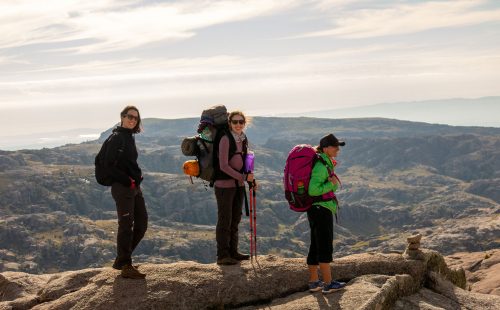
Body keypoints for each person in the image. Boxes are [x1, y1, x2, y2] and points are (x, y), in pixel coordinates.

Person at [106, 105, 148, 279]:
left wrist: (135, 180)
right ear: (122, 117)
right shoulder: (116, 138)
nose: (132, 120)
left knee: (142, 223)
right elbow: (108, 166)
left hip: (133, 188)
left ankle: (122, 260)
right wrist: (128, 180)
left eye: (135, 118)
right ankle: (125, 264)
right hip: (123, 188)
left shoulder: (128, 136)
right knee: (126, 226)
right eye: (129, 116)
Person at [213, 110, 255, 265]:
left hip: (238, 185)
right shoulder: (225, 139)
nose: (238, 125)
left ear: (245, 123)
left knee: (235, 219)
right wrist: (243, 177)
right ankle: (222, 255)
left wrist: (249, 179)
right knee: (225, 220)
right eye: (235, 122)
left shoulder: (243, 139)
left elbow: (243, 162)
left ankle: (233, 251)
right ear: (229, 123)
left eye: (241, 122)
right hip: (224, 186)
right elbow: (223, 166)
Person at [307, 133, 347, 294]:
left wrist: (331, 184)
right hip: (321, 208)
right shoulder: (321, 165)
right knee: (324, 244)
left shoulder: (323, 161)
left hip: (316, 209)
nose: (338, 149)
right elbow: (313, 190)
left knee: (315, 244)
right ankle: (328, 284)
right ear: (326, 148)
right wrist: (332, 185)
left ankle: (314, 282)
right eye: (335, 146)